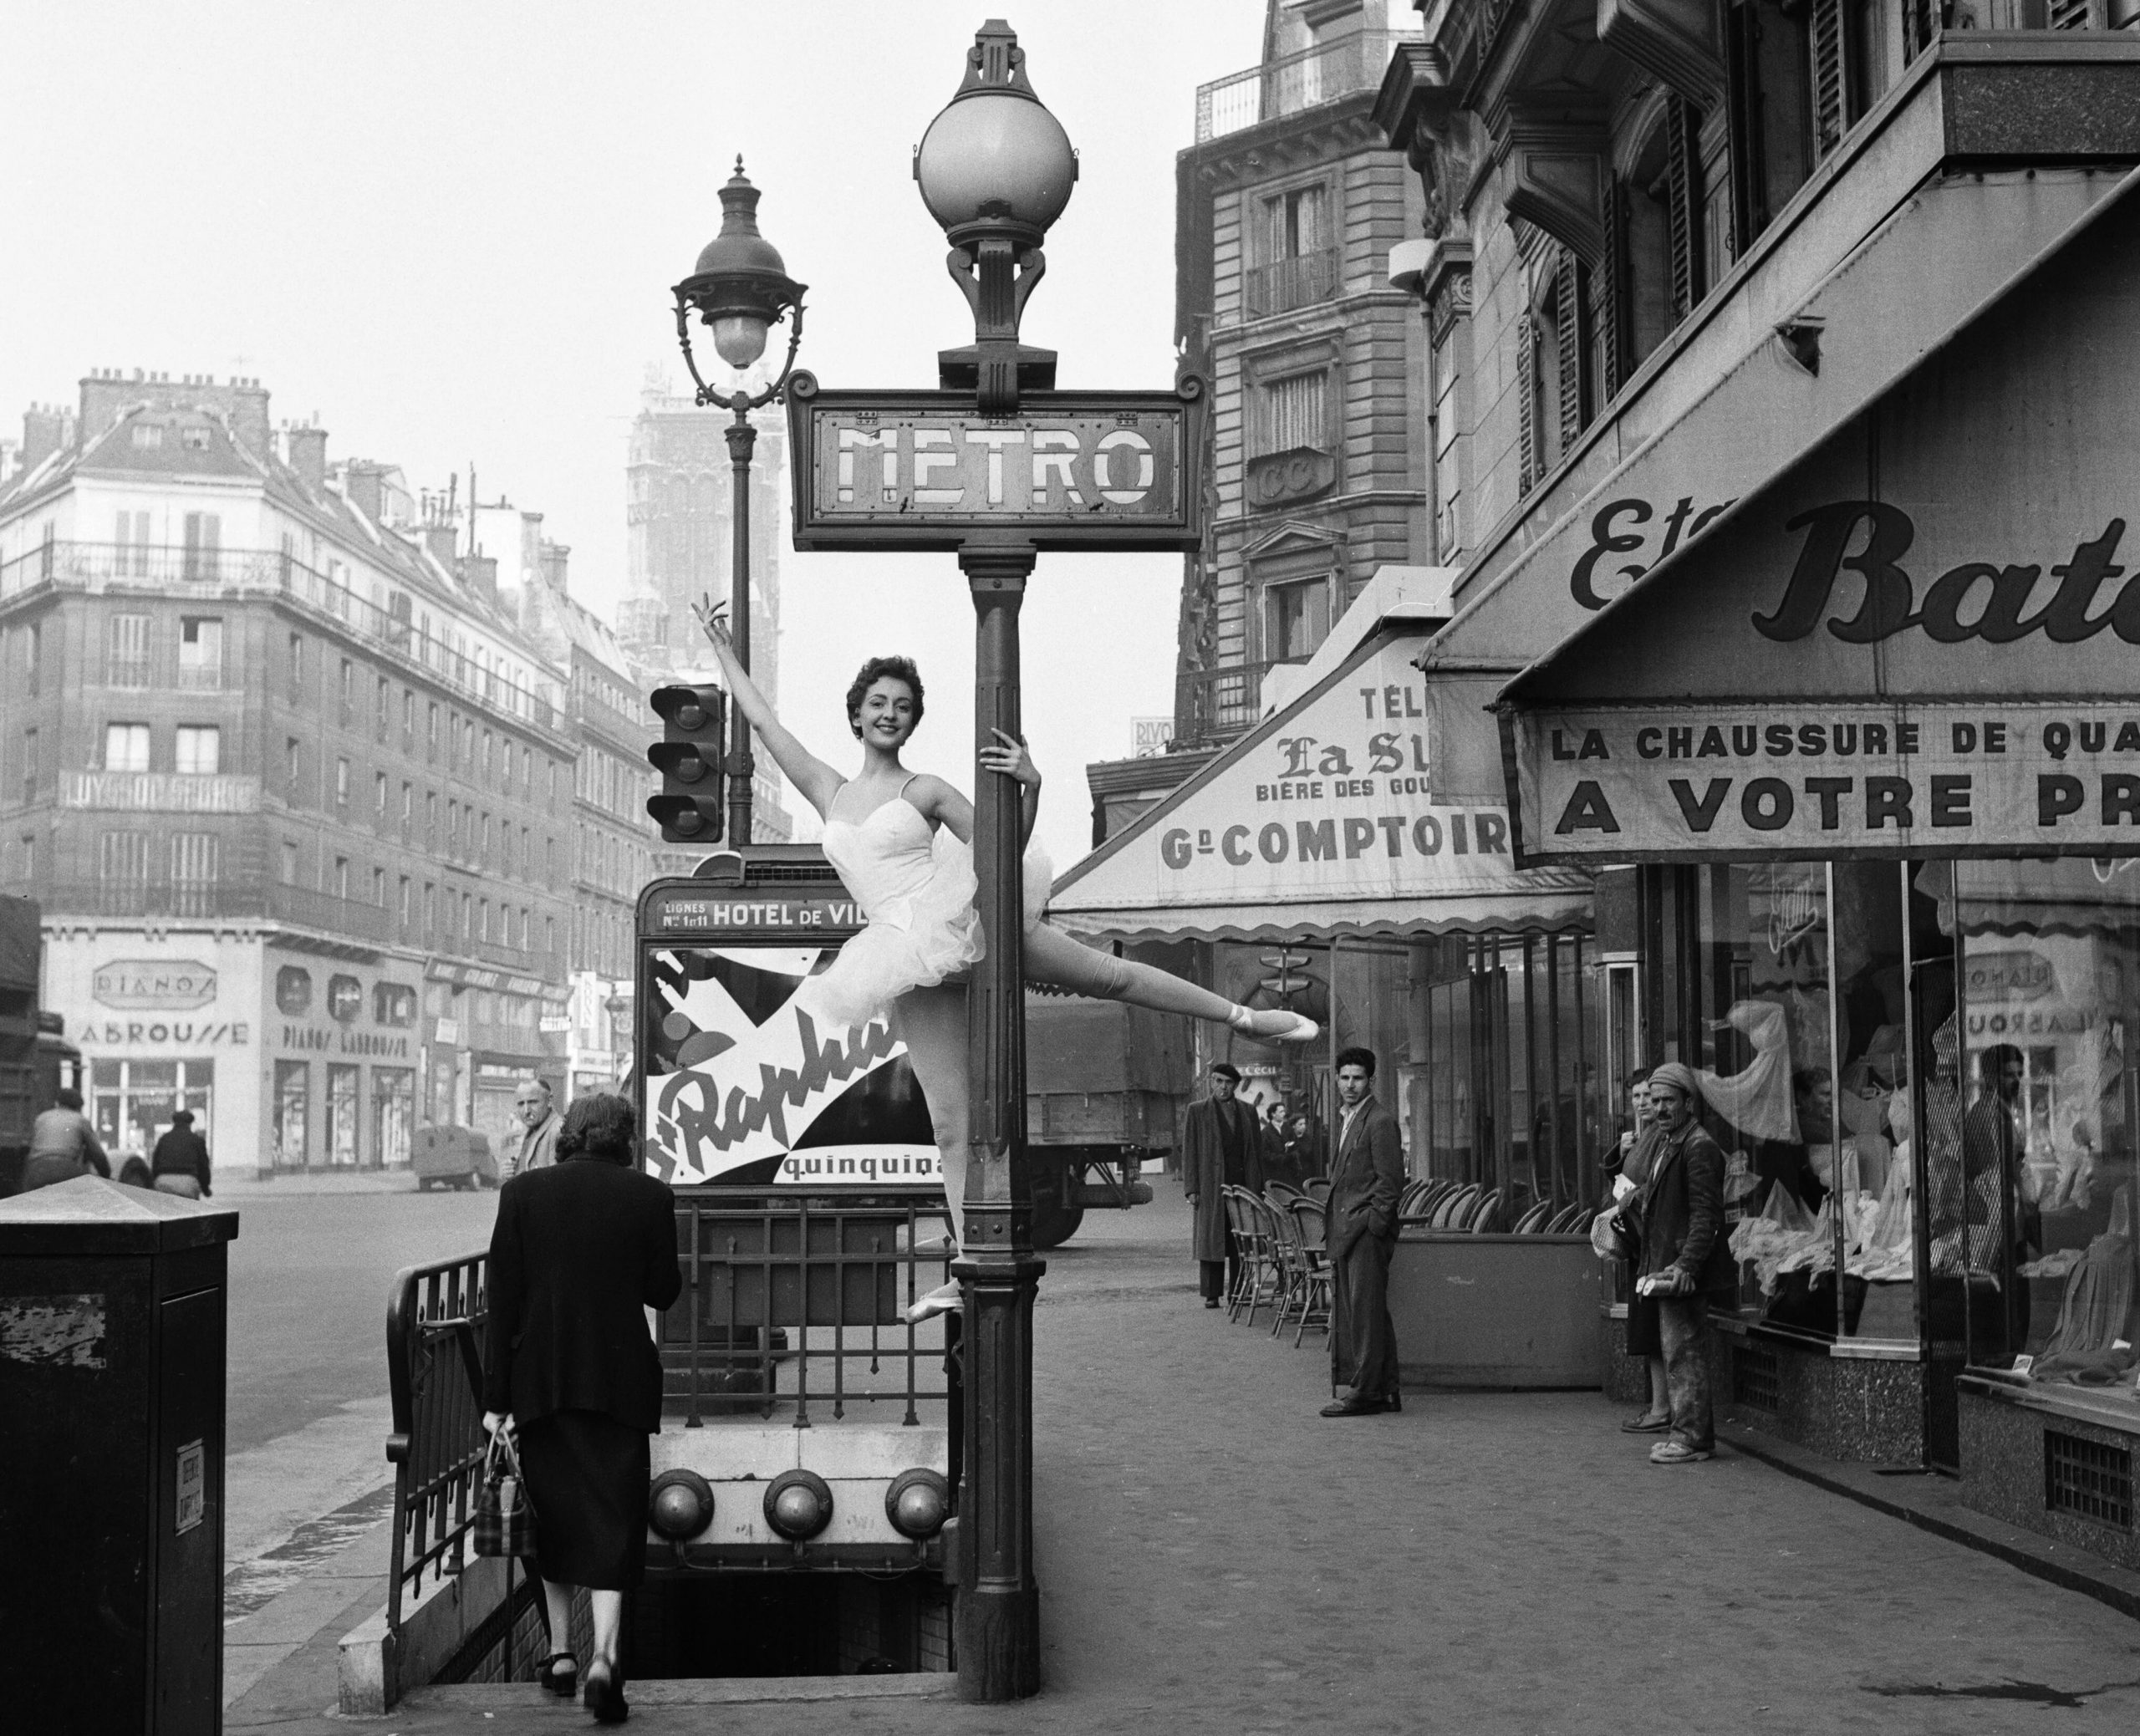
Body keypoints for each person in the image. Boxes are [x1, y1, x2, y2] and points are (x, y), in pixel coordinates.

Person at [695, 603, 1316, 1260]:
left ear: (911, 720)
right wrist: (723, 652)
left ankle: (1247, 1017)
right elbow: (764, 723)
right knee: (949, 1124)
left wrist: (1032, 789)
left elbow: (998, 851)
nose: (888, 713)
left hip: (964, 919)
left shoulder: (925, 789)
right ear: (855, 714)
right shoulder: (829, 790)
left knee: (1111, 973)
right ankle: (969, 1259)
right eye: (877, 702)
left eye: (902, 705)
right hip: (898, 952)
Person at [483, 1092, 682, 1724]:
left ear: (569, 1132)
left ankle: (561, 1652)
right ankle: (605, 1656)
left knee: (553, 1515)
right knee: (614, 1520)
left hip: (540, 1381)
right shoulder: (650, 1196)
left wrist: (495, 1402)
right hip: (620, 1382)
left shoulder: (522, 1194)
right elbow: (663, 1290)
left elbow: (502, 1301)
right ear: (625, 1137)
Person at [1631, 1063, 1734, 1464]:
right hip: (1668, 1266)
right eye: (1654, 1100)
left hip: (1683, 1271)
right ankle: (1688, 1435)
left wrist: (1685, 1267)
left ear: (1688, 1103)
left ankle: (1690, 1438)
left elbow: (1706, 1216)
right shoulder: (1669, 1141)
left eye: (1668, 1100)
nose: (1659, 1108)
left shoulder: (1699, 1146)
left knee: (1684, 1354)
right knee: (1677, 1352)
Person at [1322, 1047, 1404, 1418]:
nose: (1350, 1085)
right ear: (1337, 1079)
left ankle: (1367, 1392)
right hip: (1350, 1229)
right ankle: (1383, 1389)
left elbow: (1390, 1182)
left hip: (1365, 1232)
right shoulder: (1351, 1117)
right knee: (1365, 1312)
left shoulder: (1379, 1120)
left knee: (1365, 1314)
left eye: (1358, 1078)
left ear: (1370, 1081)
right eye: (1344, 1078)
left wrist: (1374, 1224)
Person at [1612, 1069, 1674, 1436]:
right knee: (1650, 1330)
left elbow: (1640, 1187)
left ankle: (1663, 1407)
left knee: (1655, 1330)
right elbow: (1625, 1184)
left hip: (1656, 1244)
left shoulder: (1661, 1139)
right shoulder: (1642, 1138)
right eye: (1636, 1097)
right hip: (1643, 1242)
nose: (1644, 1104)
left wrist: (1626, 1194)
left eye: (1650, 1096)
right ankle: (1660, 1405)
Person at [1182, 1063, 1260, 1307]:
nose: (1222, 1087)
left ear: (1235, 1085)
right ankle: (1212, 1294)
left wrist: (1258, 1187)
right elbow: (1190, 1151)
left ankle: (1239, 1292)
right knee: (1212, 1241)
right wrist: (1192, 1188)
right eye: (1218, 1081)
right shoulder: (1197, 1111)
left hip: (1242, 1186)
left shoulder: (1248, 1112)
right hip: (1211, 1186)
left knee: (1242, 1239)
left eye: (1228, 1083)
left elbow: (1256, 1152)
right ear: (1211, 1082)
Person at [23, 1087, 110, 1192]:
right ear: (79, 1107)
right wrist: (106, 1175)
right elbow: (97, 1154)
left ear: (57, 1103)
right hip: (66, 1169)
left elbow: (30, 1147)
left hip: (37, 1170)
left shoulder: (41, 1118)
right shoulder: (80, 1120)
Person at [150, 1107, 211, 1199]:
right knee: (190, 1211)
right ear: (190, 1123)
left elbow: (155, 1164)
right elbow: (203, 1168)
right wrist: (206, 1189)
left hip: (163, 1182)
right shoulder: (197, 1140)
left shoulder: (164, 1139)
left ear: (174, 1122)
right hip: (187, 1183)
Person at [507, 1077, 562, 1180]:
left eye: (533, 1102)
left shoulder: (558, 1131)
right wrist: (512, 1173)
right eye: (521, 1104)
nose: (526, 1111)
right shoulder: (533, 1130)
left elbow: (557, 1183)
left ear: (549, 1101)